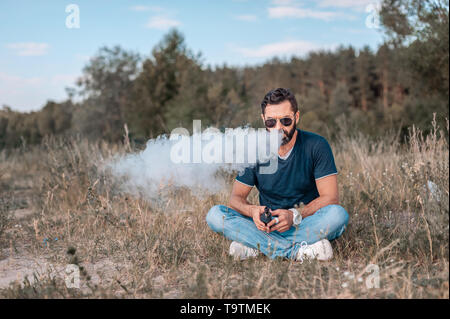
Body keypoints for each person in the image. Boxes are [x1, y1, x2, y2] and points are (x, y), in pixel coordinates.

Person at [206, 88, 349, 261]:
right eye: (271, 122)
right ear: (263, 120)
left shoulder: (317, 145)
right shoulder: (254, 150)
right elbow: (236, 198)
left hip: (305, 221)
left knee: (338, 215)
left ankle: (256, 245)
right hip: (267, 225)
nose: (278, 128)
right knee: (215, 214)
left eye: (286, 120)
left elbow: (331, 198)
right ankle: (297, 251)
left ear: (296, 117)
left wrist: (295, 215)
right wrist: (252, 211)